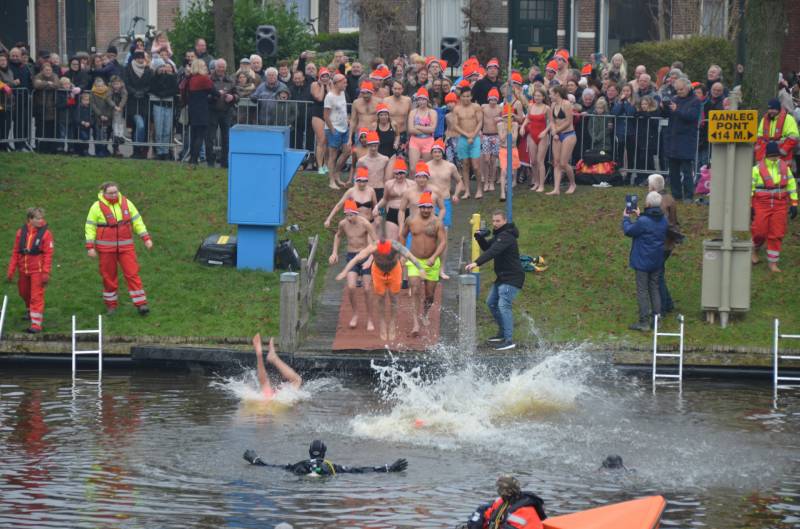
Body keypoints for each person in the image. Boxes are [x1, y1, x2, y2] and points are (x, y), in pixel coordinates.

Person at [337, 238, 426, 341]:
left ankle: (392, 322)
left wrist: (420, 268)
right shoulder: (373, 247)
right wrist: (344, 272)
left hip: (394, 271)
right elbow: (356, 259)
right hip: (378, 271)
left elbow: (410, 256)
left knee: (393, 298)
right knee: (381, 297)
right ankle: (382, 321)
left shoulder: (395, 245)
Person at [85, 181, 153, 315]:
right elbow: (90, 227)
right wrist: (90, 247)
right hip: (106, 249)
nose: (113, 195)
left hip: (126, 247)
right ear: (103, 193)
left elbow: (137, 221)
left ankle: (141, 304)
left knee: (132, 274)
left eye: (115, 192)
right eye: (110, 193)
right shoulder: (96, 207)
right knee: (108, 277)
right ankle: (111, 305)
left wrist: (146, 238)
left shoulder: (127, 203)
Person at [465, 210, 524, 350]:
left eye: (498, 221)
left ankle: (509, 340)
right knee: (491, 303)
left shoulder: (507, 236)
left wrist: (476, 263)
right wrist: (479, 237)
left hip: (513, 277)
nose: (495, 223)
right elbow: (487, 247)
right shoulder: (500, 235)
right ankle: (502, 332)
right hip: (502, 277)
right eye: (493, 221)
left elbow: (493, 252)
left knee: (504, 305)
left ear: (504, 221)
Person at [401, 191, 447, 336]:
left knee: (429, 295)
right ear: (419, 207)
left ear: (432, 207)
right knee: (414, 288)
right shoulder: (411, 220)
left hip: (431, 262)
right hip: (414, 260)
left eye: (428, 207)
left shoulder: (437, 222)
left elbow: (443, 242)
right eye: (423, 207)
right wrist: (403, 254)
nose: (426, 210)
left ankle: (425, 313)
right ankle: (415, 323)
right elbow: (402, 235)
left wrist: (434, 257)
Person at [329, 199, 378, 330]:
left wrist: (370, 259)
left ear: (357, 213)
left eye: (351, 214)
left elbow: (376, 243)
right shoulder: (343, 224)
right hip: (351, 256)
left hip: (366, 256)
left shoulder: (366, 224)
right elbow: (338, 236)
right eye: (347, 215)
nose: (349, 218)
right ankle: (355, 314)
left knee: (367, 289)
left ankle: (369, 318)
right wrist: (334, 252)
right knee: (351, 287)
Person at [623, 191, 667, 331]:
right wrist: (640, 215)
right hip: (657, 260)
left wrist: (625, 218)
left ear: (647, 204)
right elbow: (649, 225)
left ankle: (644, 322)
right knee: (654, 288)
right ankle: (657, 320)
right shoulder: (663, 220)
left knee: (642, 290)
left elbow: (629, 231)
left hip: (642, 261)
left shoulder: (643, 221)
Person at [751, 141, 798, 273]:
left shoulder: (785, 168)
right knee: (759, 231)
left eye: (776, 156)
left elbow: (791, 186)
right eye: (772, 156)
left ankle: (773, 263)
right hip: (761, 204)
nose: (774, 158)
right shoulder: (756, 169)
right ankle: (754, 249)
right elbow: (750, 188)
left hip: (780, 205)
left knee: (777, 233)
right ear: (766, 155)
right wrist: (750, 206)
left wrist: (794, 204)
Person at [243, 440, 408, 476]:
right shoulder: (333, 466)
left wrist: (254, 459)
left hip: (301, 477)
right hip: (324, 480)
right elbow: (361, 470)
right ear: (324, 453)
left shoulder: (297, 465)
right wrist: (388, 468)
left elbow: (270, 466)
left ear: (309, 452)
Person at [6, 207, 54, 333]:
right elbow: (16, 251)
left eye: (41, 218)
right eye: (37, 218)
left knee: (36, 296)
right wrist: (11, 270)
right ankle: (30, 311)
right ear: (30, 219)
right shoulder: (20, 232)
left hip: (37, 270)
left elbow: (48, 254)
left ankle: (36, 325)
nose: (41, 221)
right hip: (23, 270)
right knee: (23, 292)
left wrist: (45, 272)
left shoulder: (46, 234)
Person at [663, 78, 701, 201]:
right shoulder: (674, 99)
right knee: (673, 171)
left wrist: (677, 110)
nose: (679, 92)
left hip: (686, 140)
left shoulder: (695, 101)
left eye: (681, 89)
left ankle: (689, 195)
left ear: (688, 87)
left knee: (686, 171)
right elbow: (666, 115)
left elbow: (691, 116)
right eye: (677, 89)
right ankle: (676, 194)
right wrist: (663, 107)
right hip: (673, 139)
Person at [464, 475, 546, 529]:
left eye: (500, 489)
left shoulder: (525, 512)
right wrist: (476, 522)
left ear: (507, 491)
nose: (498, 491)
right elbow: (486, 511)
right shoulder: (501, 502)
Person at [649, 174, 679, 314]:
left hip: (661, 243)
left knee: (656, 276)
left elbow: (662, 223)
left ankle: (664, 306)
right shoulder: (669, 198)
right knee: (659, 274)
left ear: (653, 187)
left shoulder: (659, 202)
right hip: (669, 242)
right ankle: (668, 303)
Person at [184, 59, 217, 167]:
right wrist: (218, 95)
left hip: (192, 109)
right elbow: (215, 92)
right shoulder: (204, 79)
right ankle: (194, 159)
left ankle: (192, 159)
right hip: (202, 109)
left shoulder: (191, 79)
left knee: (194, 134)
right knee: (200, 135)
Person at [453, 86, 484, 199]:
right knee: (465, 165)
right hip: (463, 138)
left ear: (471, 96)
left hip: (474, 138)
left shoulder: (476, 107)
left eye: (468, 96)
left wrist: (473, 135)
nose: (466, 98)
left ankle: (479, 189)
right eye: (464, 96)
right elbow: (455, 125)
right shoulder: (457, 109)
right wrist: (466, 135)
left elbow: (480, 122)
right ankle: (467, 190)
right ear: (460, 97)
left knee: (476, 166)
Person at [546, 85, 577, 195]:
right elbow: (552, 121)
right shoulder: (553, 105)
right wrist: (554, 132)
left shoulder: (566, 104)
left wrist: (556, 130)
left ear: (557, 94)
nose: (549, 96)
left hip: (568, 134)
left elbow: (568, 121)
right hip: (557, 134)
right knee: (557, 162)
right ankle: (556, 189)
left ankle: (572, 184)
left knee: (564, 163)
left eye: (551, 93)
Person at [252, 333, 301, 399]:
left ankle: (262, 355)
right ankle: (271, 357)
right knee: (297, 380)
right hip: (274, 404)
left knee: (266, 390)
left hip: (269, 404)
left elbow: (264, 385)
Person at [208, 59, 237, 168]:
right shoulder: (209, 79)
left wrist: (233, 97)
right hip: (212, 111)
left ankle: (225, 162)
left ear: (225, 67)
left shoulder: (230, 80)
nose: (221, 69)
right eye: (219, 67)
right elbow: (205, 96)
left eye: (222, 67)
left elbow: (237, 94)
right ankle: (210, 162)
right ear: (215, 67)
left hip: (226, 112)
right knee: (210, 137)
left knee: (226, 138)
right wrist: (215, 96)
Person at [123, 50, 153, 159]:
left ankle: (140, 150)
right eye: (138, 58)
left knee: (143, 128)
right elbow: (126, 83)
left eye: (142, 58)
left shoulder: (148, 70)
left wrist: (143, 92)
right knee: (139, 125)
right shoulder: (128, 69)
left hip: (144, 102)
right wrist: (133, 92)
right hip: (132, 102)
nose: (140, 60)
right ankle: (136, 148)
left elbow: (150, 84)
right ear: (134, 58)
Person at [324, 73, 351, 189]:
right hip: (333, 128)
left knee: (347, 151)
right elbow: (325, 115)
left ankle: (336, 174)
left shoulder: (343, 93)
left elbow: (343, 110)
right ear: (337, 83)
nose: (346, 84)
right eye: (344, 82)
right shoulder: (329, 96)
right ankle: (331, 180)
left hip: (344, 128)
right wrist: (332, 130)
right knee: (333, 155)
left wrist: (347, 120)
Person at [755, 98, 799, 163]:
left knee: (783, 172)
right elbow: (759, 137)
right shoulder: (764, 119)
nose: (770, 111)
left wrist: (783, 150)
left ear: (778, 109)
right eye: (769, 109)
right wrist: (759, 153)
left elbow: (794, 137)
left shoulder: (788, 119)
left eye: (773, 109)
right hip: (766, 157)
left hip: (783, 158)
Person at [523, 87, 549, 192]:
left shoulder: (547, 108)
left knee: (540, 161)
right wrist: (522, 126)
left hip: (542, 136)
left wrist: (545, 131)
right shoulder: (530, 106)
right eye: (535, 96)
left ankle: (542, 184)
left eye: (539, 96)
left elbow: (551, 122)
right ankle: (536, 182)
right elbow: (528, 118)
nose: (537, 98)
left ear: (543, 97)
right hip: (532, 135)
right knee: (533, 161)